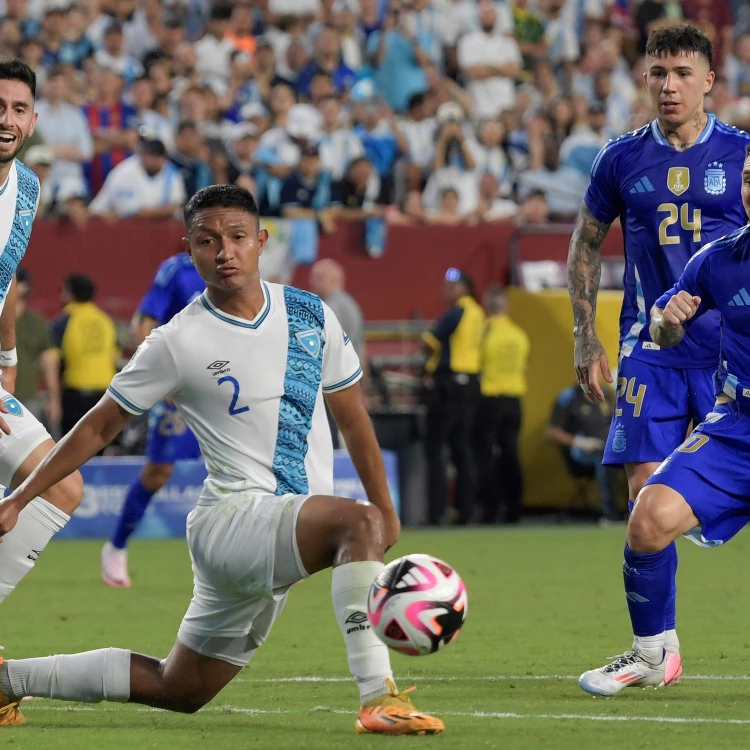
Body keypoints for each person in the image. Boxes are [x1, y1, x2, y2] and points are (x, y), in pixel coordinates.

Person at [0, 185, 443, 737]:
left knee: (179, 688)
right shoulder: (177, 340)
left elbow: (354, 419)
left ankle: (6, 680)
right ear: (190, 250)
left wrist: (386, 507)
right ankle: (379, 697)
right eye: (208, 241)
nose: (225, 252)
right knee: (355, 522)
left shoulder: (310, 314)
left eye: (237, 238)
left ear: (261, 242)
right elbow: (97, 426)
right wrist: (20, 497)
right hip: (233, 522)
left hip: (275, 527)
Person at [569, 25, 750, 688]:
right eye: (658, 73)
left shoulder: (743, 155)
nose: (668, 85)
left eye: (681, 72)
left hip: (731, 352)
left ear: (710, 81)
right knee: (644, 495)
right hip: (651, 348)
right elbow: (586, 245)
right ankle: (658, 650)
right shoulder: (620, 158)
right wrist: (585, 336)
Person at [0, 60, 83, 609]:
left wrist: (7, 357)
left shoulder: (27, 187)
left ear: (33, 122)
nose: (5, 119)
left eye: (17, 109)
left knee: (62, 484)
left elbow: (4, 284)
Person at [101, 253, 205, 588]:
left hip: (226, 383)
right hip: (178, 383)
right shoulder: (177, 270)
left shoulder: (248, 267)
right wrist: (158, 374)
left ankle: (271, 553)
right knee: (159, 471)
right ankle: (116, 547)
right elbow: (145, 320)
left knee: (249, 464)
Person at [422, 268, 484, 525]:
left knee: (436, 449)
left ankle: (437, 512)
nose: (446, 290)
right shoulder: (479, 313)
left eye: (452, 286)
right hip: (470, 385)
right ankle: (467, 511)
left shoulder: (457, 311)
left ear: (464, 288)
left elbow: (430, 342)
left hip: (448, 386)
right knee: (463, 450)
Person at [475, 286, 529, 525]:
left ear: (488, 305)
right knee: (511, 454)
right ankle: (514, 509)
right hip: (514, 399)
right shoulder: (519, 335)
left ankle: (490, 510)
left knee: (485, 455)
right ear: (507, 306)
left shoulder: (484, 332)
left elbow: (475, 363)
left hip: (490, 398)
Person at [51, 274, 118, 438]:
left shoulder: (63, 322)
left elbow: (51, 361)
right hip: (106, 392)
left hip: (76, 394)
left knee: (73, 446)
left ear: (69, 293)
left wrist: (53, 399)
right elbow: (114, 357)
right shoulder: (106, 320)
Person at [545, 383, 621, 524]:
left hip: (606, 447)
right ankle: (610, 514)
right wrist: (579, 442)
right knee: (603, 460)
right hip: (581, 451)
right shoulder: (568, 396)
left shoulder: (606, 393)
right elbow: (551, 432)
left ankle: (635, 511)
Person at [14, 268, 61, 430]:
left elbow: (48, 361)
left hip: (27, 396)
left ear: (25, 287)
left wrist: (53, 399)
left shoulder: (36, 322)